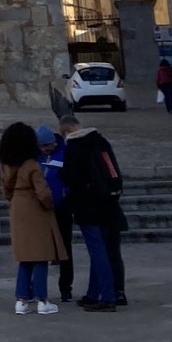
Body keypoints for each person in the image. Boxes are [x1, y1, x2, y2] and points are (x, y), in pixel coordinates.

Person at [0, 120, 66, 316]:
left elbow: (6, 190)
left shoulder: (6, 165)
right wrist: (50, 203)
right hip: (34, 208)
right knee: (40, 255)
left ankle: (21, 300)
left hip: (17, 207)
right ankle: (42, 299)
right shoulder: (31, 164)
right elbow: (43, 193)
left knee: (25, 257)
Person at [61, 111, 127, 309]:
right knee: (103, 250)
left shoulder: (74, 147)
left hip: (87, 205)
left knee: (97, 251)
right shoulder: (100, 141)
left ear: (66, 131)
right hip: (108, 203)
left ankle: (107, 297)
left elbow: (70, 178)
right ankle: (94, 293)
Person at [36, 123, 74, 303]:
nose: (44, 149)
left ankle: (66, 287)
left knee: (65, 248)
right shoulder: (38, 157)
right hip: (43, 208)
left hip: (62, 206)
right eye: (41, 147)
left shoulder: (64, 153)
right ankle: (39, 289)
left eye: (46, 146)